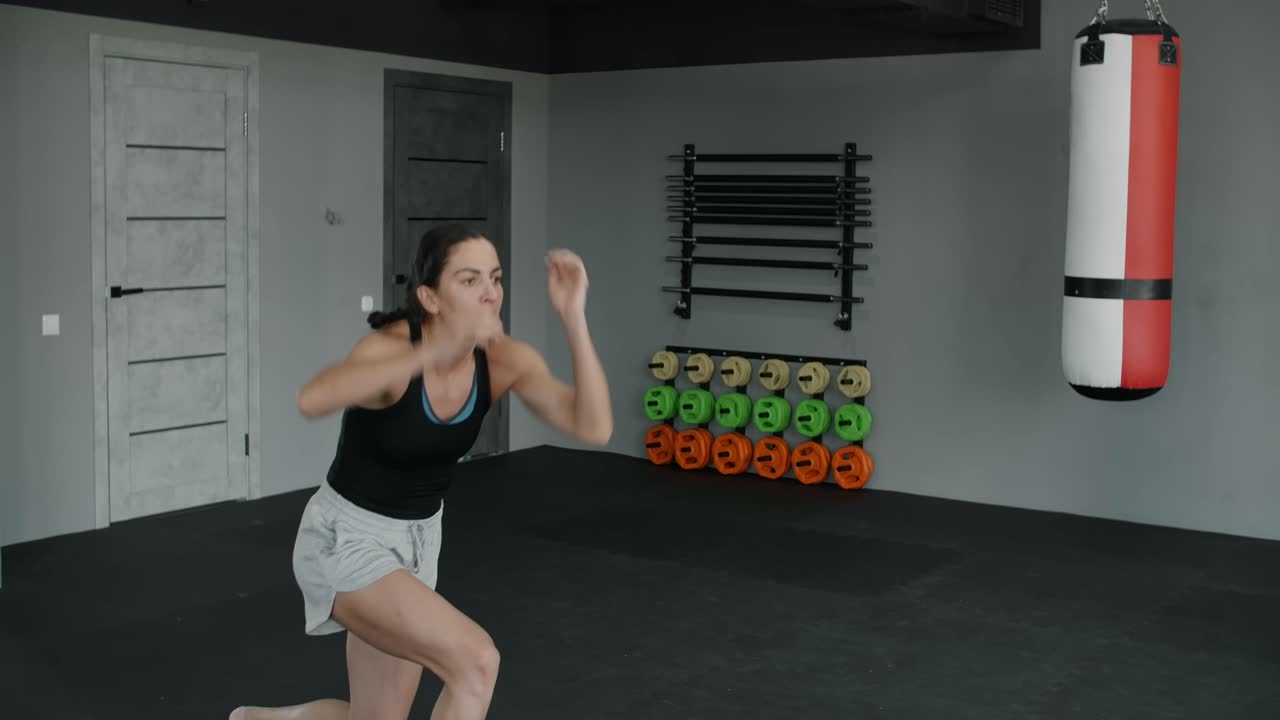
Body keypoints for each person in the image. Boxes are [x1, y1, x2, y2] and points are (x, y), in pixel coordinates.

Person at [231, 222, 613, 720]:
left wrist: (573, 316)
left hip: (417, 545)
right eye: (470, 280)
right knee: (476, 662)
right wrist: (435, 349)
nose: (490, 294)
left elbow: (594, 426)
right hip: (344, 539)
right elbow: (313, 397)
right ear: (431, 298)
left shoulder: (502, 362)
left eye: (495, 279)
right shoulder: (392, 353)